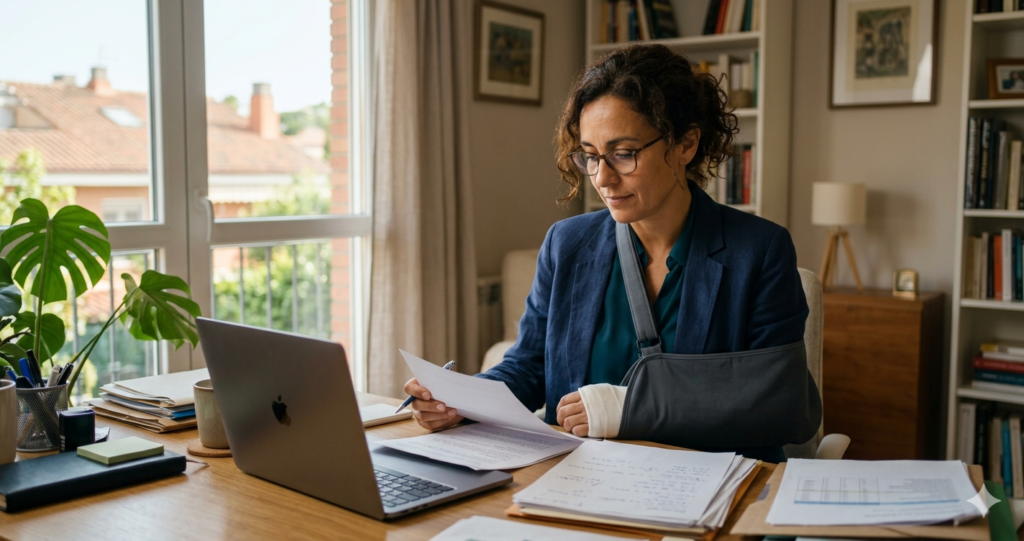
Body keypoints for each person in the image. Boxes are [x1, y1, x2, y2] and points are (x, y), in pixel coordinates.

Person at [403, 44, 821, 462]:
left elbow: (780, 406)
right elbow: (530, 367)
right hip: (578, 480)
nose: (602, 178)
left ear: (686, 144)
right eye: (590, 156)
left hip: (701, 490)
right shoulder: (566, 244)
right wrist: (459, 403)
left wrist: (626, 410)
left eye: (624, 154)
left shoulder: (759, 251)